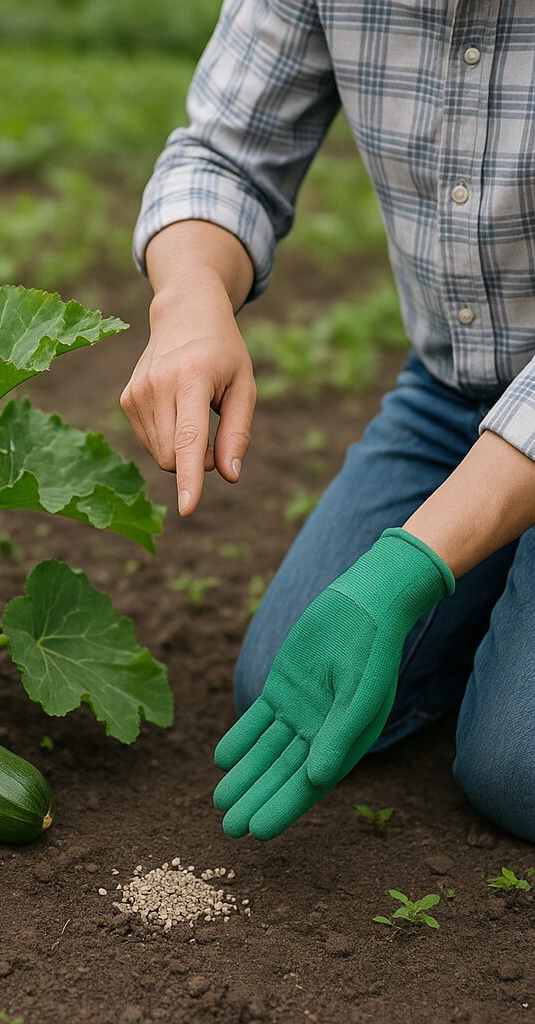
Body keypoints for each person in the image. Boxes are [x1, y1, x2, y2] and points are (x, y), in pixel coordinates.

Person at [123, 0, 535, 843]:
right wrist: (193, 296)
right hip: (455, 393)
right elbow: (225, 155)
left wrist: (409, 570)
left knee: (516, 770)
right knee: (292, 676)